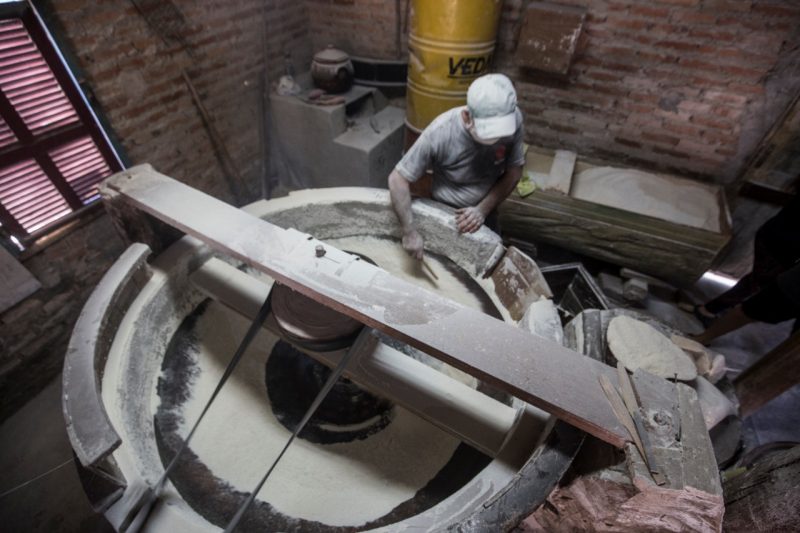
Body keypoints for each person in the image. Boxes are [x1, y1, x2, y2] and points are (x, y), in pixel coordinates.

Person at [388, 73, 525, 260]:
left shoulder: (513, 119)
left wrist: (482, 210)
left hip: (488, 211)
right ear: (467, 116)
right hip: (446, 212)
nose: (497, 139)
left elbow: (514, 172)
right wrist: (409, 232)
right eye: (488, 133)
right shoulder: (442, 132)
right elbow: (397, 179)